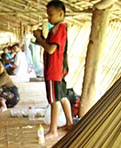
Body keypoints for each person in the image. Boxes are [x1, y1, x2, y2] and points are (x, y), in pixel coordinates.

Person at [33, 0, 73, 139]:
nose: (49, 18)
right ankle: (69, 122)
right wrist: (42, 38)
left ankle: (53, 130)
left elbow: (50, 49)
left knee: (54, 100)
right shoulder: (60, 28)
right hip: (59, 69)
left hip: (53, 70)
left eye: (51, 14)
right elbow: (52, 47)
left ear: (61, 13)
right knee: (62, 96)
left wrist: (39, 37)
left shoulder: (58, 29)